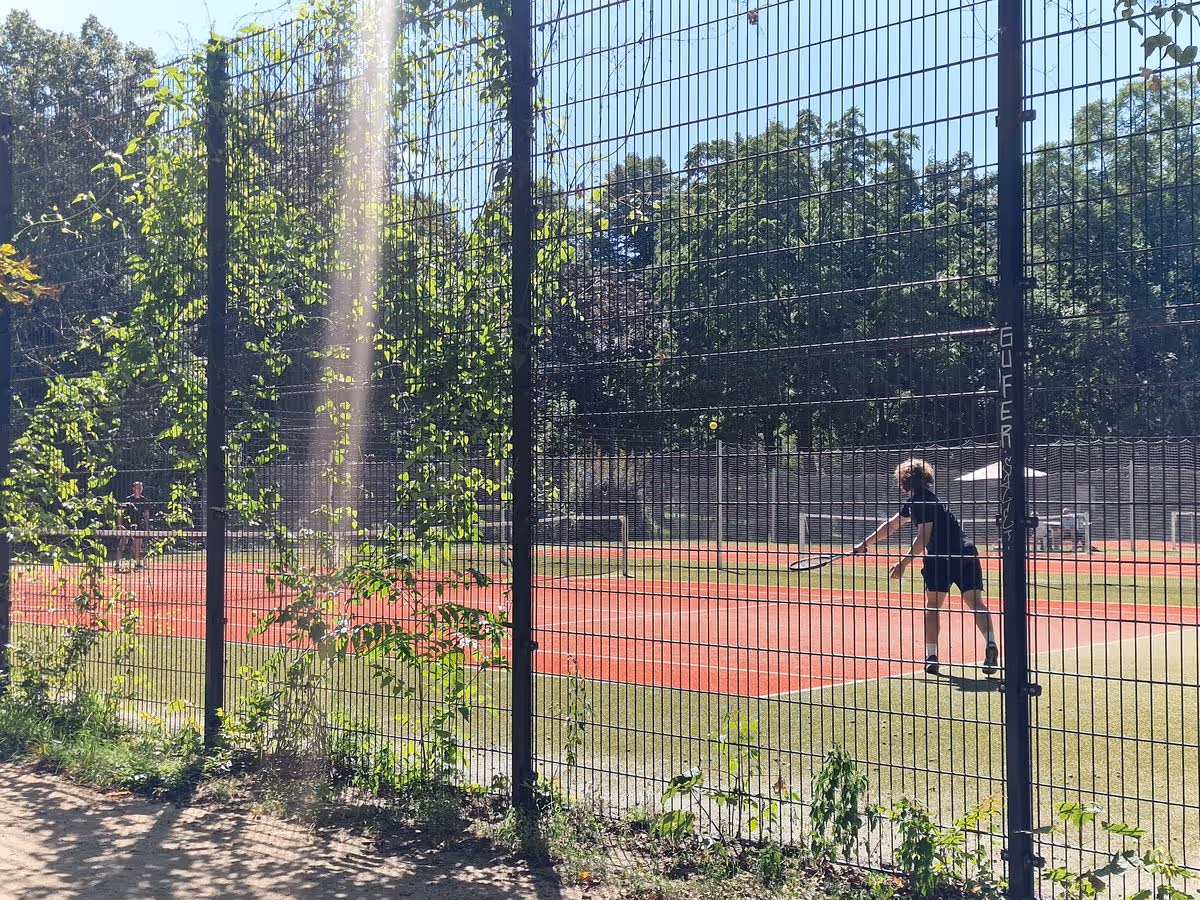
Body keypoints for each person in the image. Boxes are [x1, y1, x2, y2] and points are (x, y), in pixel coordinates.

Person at [851, 458, 1000, 676]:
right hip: (966, 551)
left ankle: (931, 656)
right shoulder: (924, 500)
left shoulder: (920, 503)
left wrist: (903, 563)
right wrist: (865, 543)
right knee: (976, 603)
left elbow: (923, 537)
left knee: (933, 606)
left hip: (940, 557)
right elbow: (892, 524)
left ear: (903, 482)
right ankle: (991, 642)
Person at [115, 481, 152, 571]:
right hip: (127, 525)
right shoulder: (128, 499)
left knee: (138, 544)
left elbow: (146, 514)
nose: (139, 489)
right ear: (133, 489)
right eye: (137, 487)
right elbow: (120, 513)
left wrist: (147, 526)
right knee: (123, 543)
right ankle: (117, 564)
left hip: (138, 524)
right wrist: (120, 525)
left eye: (141, 488)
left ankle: (137, 563)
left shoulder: (144, 500)